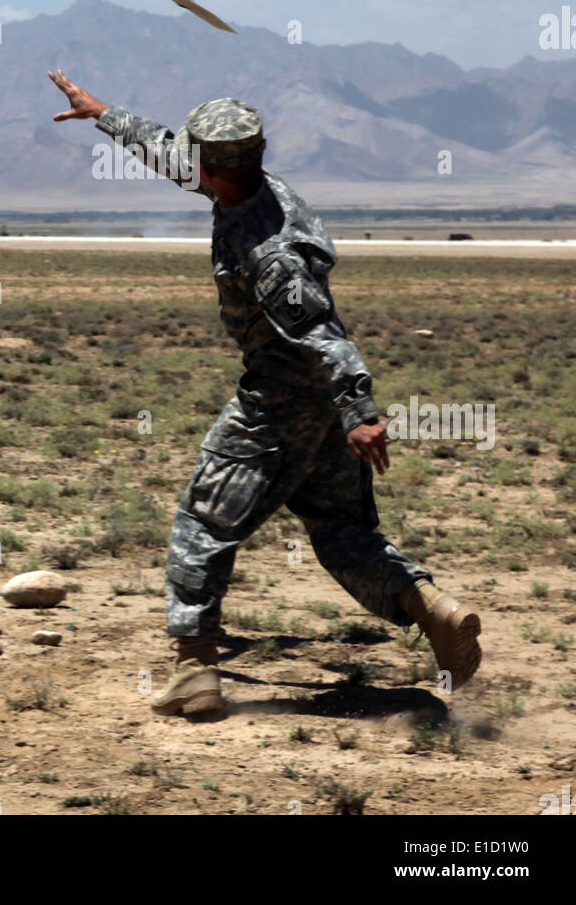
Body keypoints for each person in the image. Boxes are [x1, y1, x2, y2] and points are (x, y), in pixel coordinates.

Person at [49, 69, 482, 716]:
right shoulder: (248, 187)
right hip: (319, 411)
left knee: (203, 522)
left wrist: (360, 410)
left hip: (278, 402)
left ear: (216, 166)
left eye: (196, 156)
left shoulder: (271, 250)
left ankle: (195, 668)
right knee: (341, 529)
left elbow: (319, 329)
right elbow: (174, 157)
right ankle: (432, 609)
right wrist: (104, 113)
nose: (187, 163)